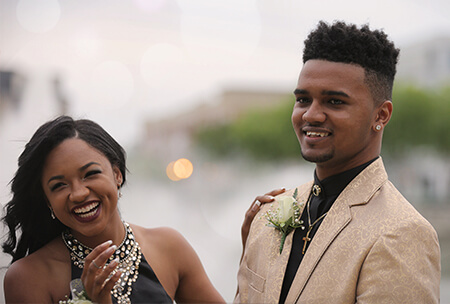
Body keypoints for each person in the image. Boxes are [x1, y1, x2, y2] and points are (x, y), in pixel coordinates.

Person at [235, 21, 441, 303]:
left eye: (334, 102)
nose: (311, 115)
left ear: (380, 115)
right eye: (303, 99)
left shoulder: (401, 233)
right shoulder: (267, 217)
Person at [2, 116, 226, 303]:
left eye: (90, 174)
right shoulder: (29, 277)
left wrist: (254, 244)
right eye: (59, 185)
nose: (78, 193)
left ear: (117, 175)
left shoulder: (169, 247)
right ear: (48, 200)